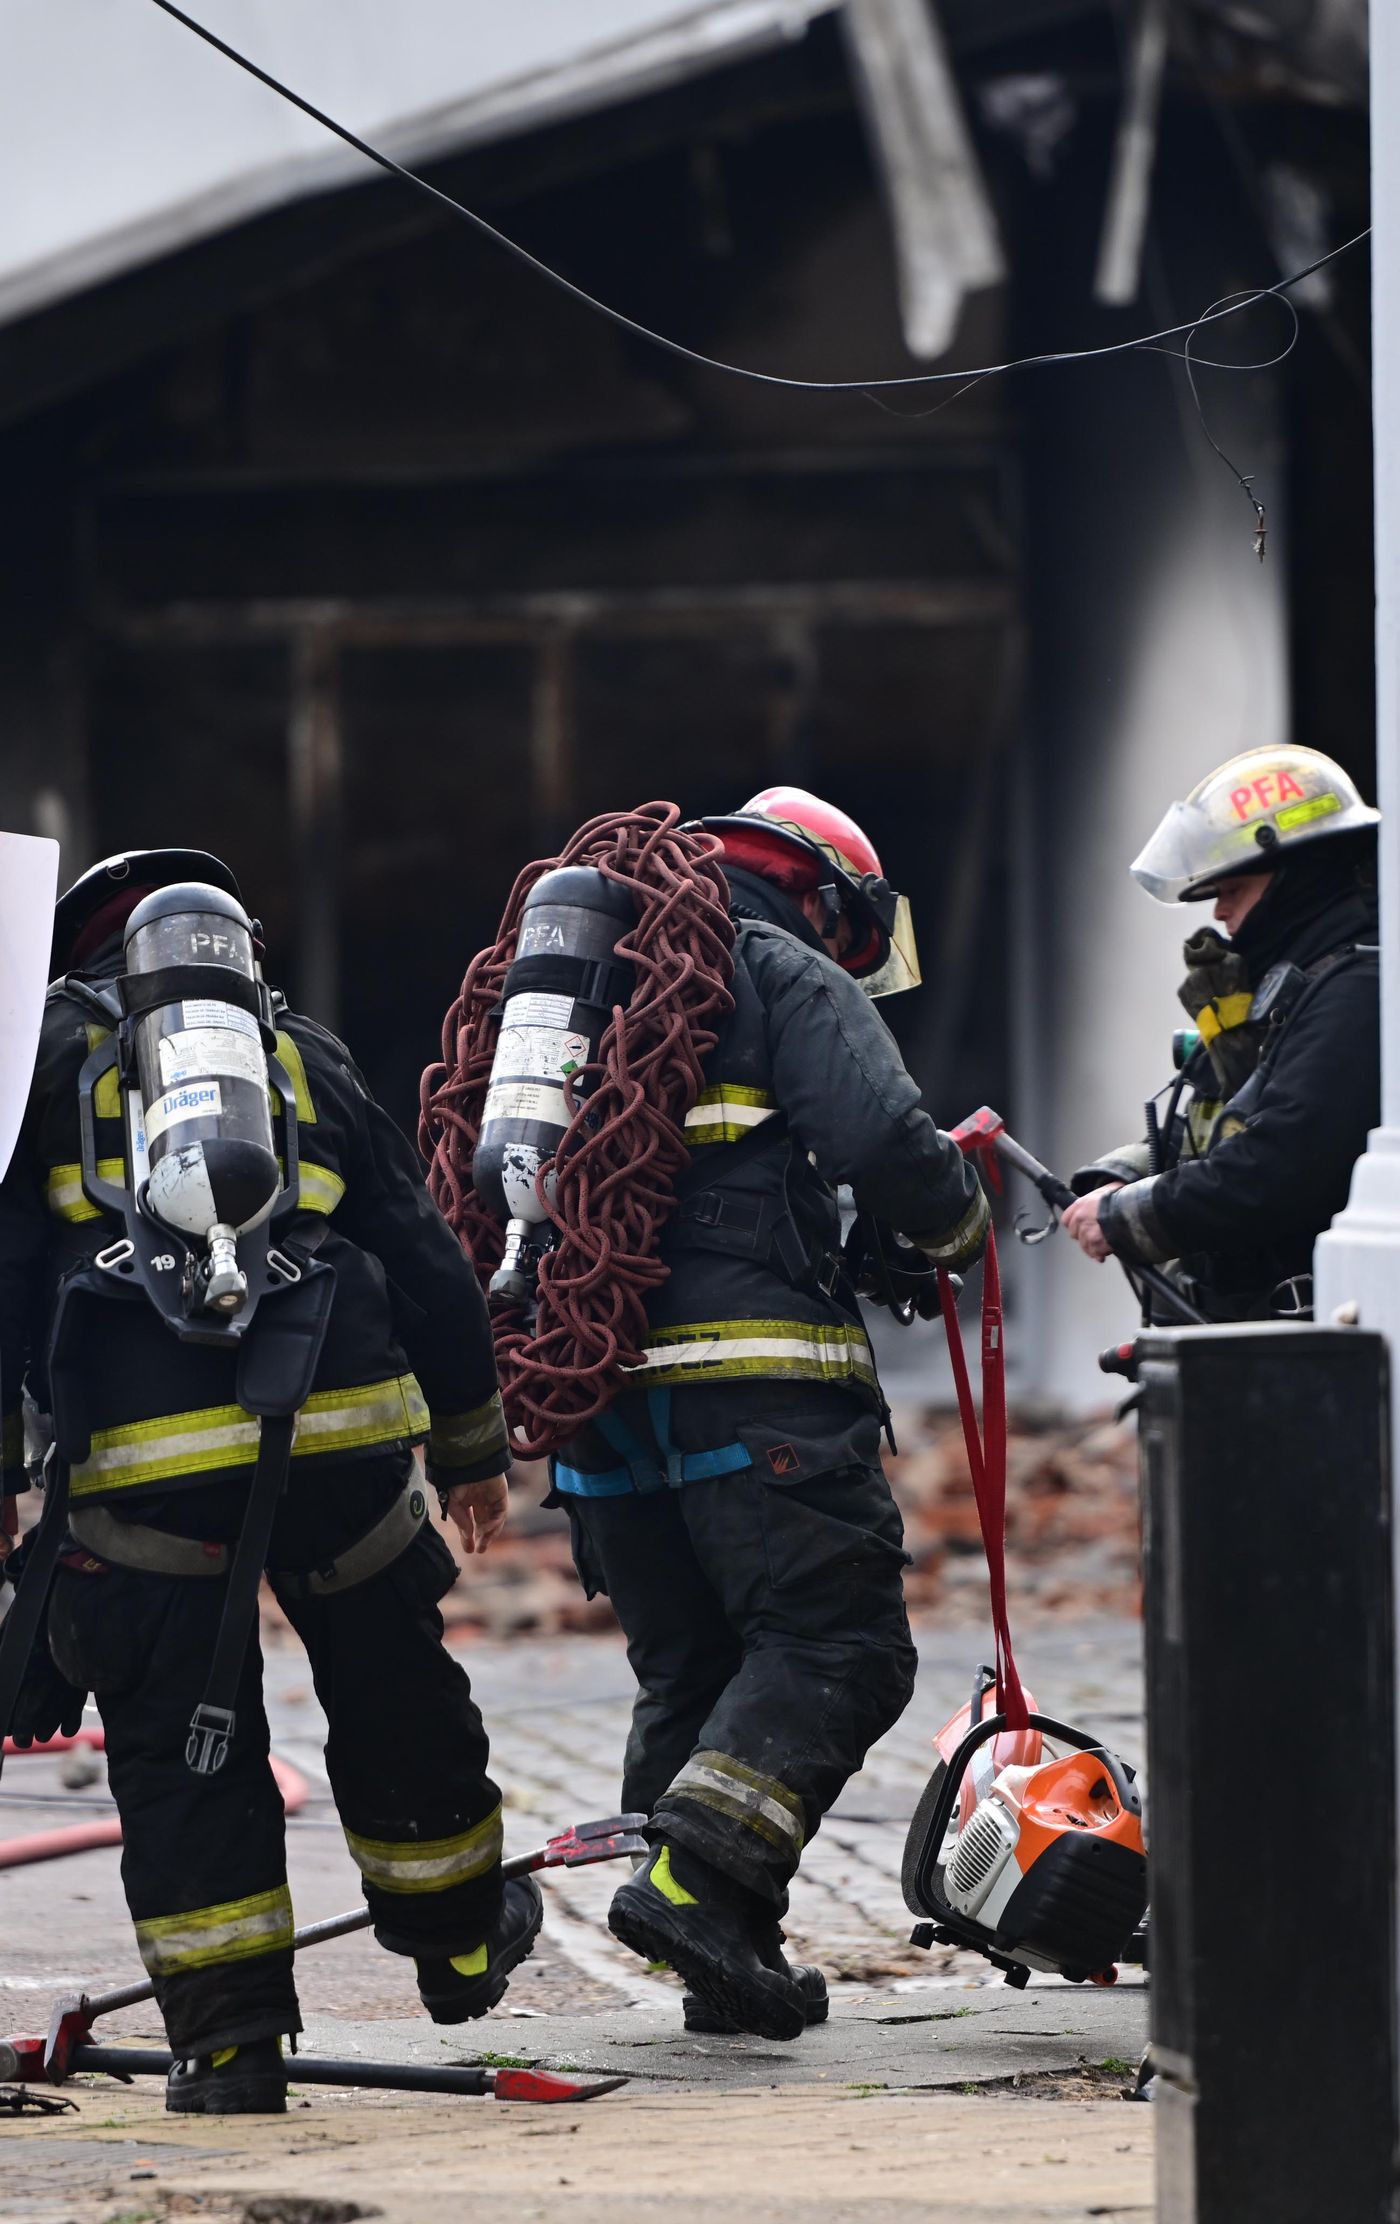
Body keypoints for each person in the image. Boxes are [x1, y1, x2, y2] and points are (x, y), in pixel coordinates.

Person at [0, 849, 535, 2115]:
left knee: (183, 1760)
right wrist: (469, 1444)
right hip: (333, 1446)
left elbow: (11, 1275)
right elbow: (419, 1251)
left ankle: (227, 2049)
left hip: (142, 1484)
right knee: (398, 1691)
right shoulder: (304, 1055)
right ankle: (456, 1949)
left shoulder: (45, 1070)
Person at [550, 787, 990, 2042]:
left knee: (691, 1664)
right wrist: (949, 1225)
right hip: (752, 1393)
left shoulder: (595, 983)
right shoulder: (775, 965)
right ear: (818, 891)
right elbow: (887, 1139)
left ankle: (717, 1951)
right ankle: (691, 1882)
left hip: (598, 1405)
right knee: (837, 1647)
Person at [1062, 746, 1381, 1319]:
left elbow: (1279, 1167)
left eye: (1233, 890)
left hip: (1304, 1342)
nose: (1219, 914)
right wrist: (1118, 1176)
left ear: (1294, 878)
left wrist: (1126, 1217)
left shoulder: (1357, 992)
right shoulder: (1296, 985)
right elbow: (1217, 1121)